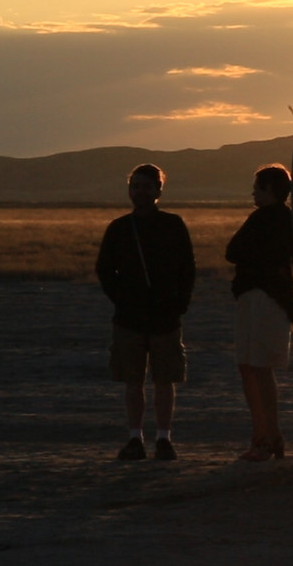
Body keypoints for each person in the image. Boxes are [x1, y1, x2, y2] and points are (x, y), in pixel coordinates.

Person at [96, 164, 195, 461]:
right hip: (130, 317)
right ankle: (135, 437)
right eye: (136, 186)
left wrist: (179, 304)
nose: (140, 191)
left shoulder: (173, 225)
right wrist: (122, 299)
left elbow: (187, 268)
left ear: (158, 190)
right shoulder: (119, 228)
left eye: (146, 186)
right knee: (133, 381)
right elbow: (104, 269)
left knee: (164, 380)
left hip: (164, 316)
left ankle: (163, 438)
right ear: (130, 190)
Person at [225, 164, 293, 461]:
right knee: (253, 367)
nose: (253, 193)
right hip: (265, 298)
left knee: (257, 368)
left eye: (257, 188)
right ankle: (265, 435)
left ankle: (268, 437)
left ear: (270, 190)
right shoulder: (285, 220)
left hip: (264, 299)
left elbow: (233, 251)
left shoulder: (266, 218)